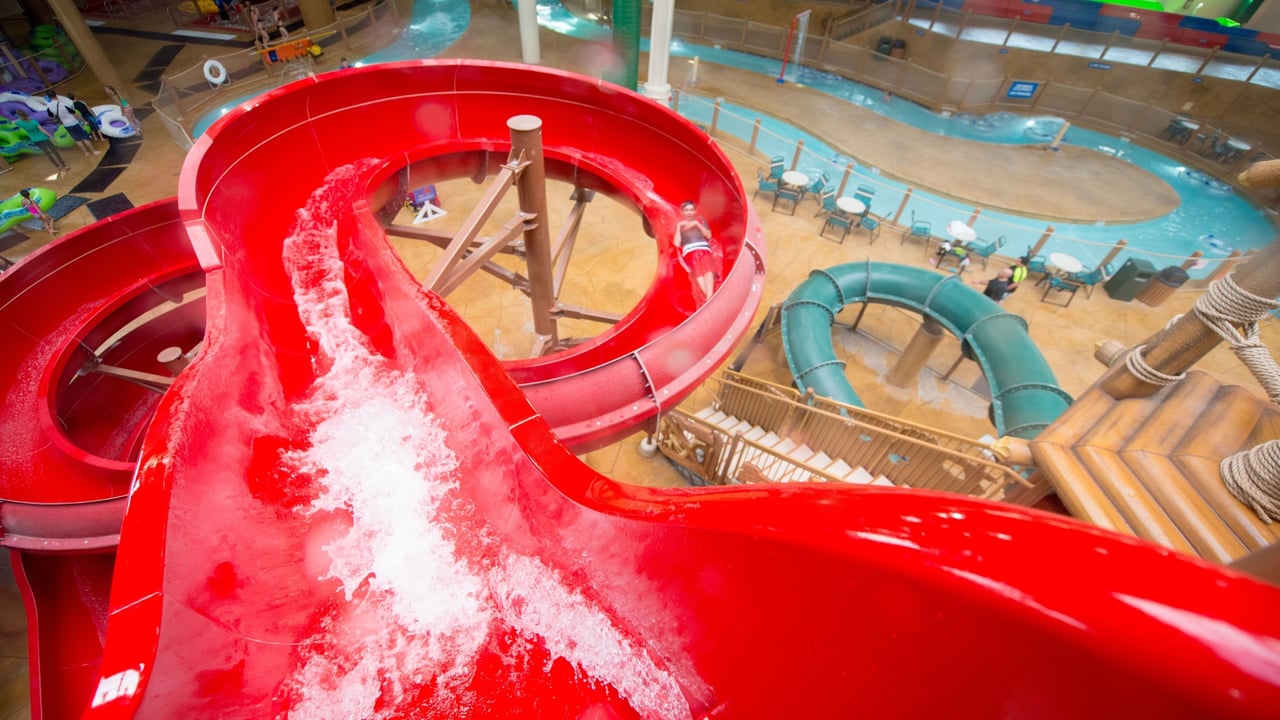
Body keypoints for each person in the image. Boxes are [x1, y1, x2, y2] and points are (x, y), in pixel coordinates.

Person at [673, 200, 716, 303]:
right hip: (689, 251)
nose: (689, 212)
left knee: (706, 267)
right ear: (682, 212)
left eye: (691, 210)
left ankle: (709, 297)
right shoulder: (680, 225)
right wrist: (679, 227)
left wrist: (697, 224)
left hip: (703, 248)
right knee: (698, 270)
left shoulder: (700, 220)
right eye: (686, 210)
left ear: (695, 211)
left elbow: (709, 235)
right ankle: (710, 297)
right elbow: (676, 243)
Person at [45, 93, 99, 157]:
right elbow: (75, 114)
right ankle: (94, 151)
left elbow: (51, 118)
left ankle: (86, 153)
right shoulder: (63, 104)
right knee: (85, 137)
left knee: (77, 139)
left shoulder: (48, 107)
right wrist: (84, 121)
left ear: (48, 97)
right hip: (74, 122)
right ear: (56, 96)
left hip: (66, 125)